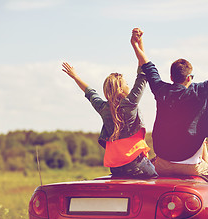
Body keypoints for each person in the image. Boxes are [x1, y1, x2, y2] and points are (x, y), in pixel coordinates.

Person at [131, 28, 208, 183]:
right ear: (189, 77)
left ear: (171, 77)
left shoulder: (160, 90)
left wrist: (137, 45)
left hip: (162, 165)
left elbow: (147, 66)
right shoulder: (198, 92)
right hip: (190, 167)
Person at [60, 30, 158, 179]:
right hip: (135, 165)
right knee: (157, 179)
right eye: (126, 84)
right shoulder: (130, 103)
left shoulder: (103, 108)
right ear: (120, 88)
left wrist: (75, 76)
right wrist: (138, 44)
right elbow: (143, 72)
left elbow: (90, 92)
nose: (128, 85)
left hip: (116, 169)